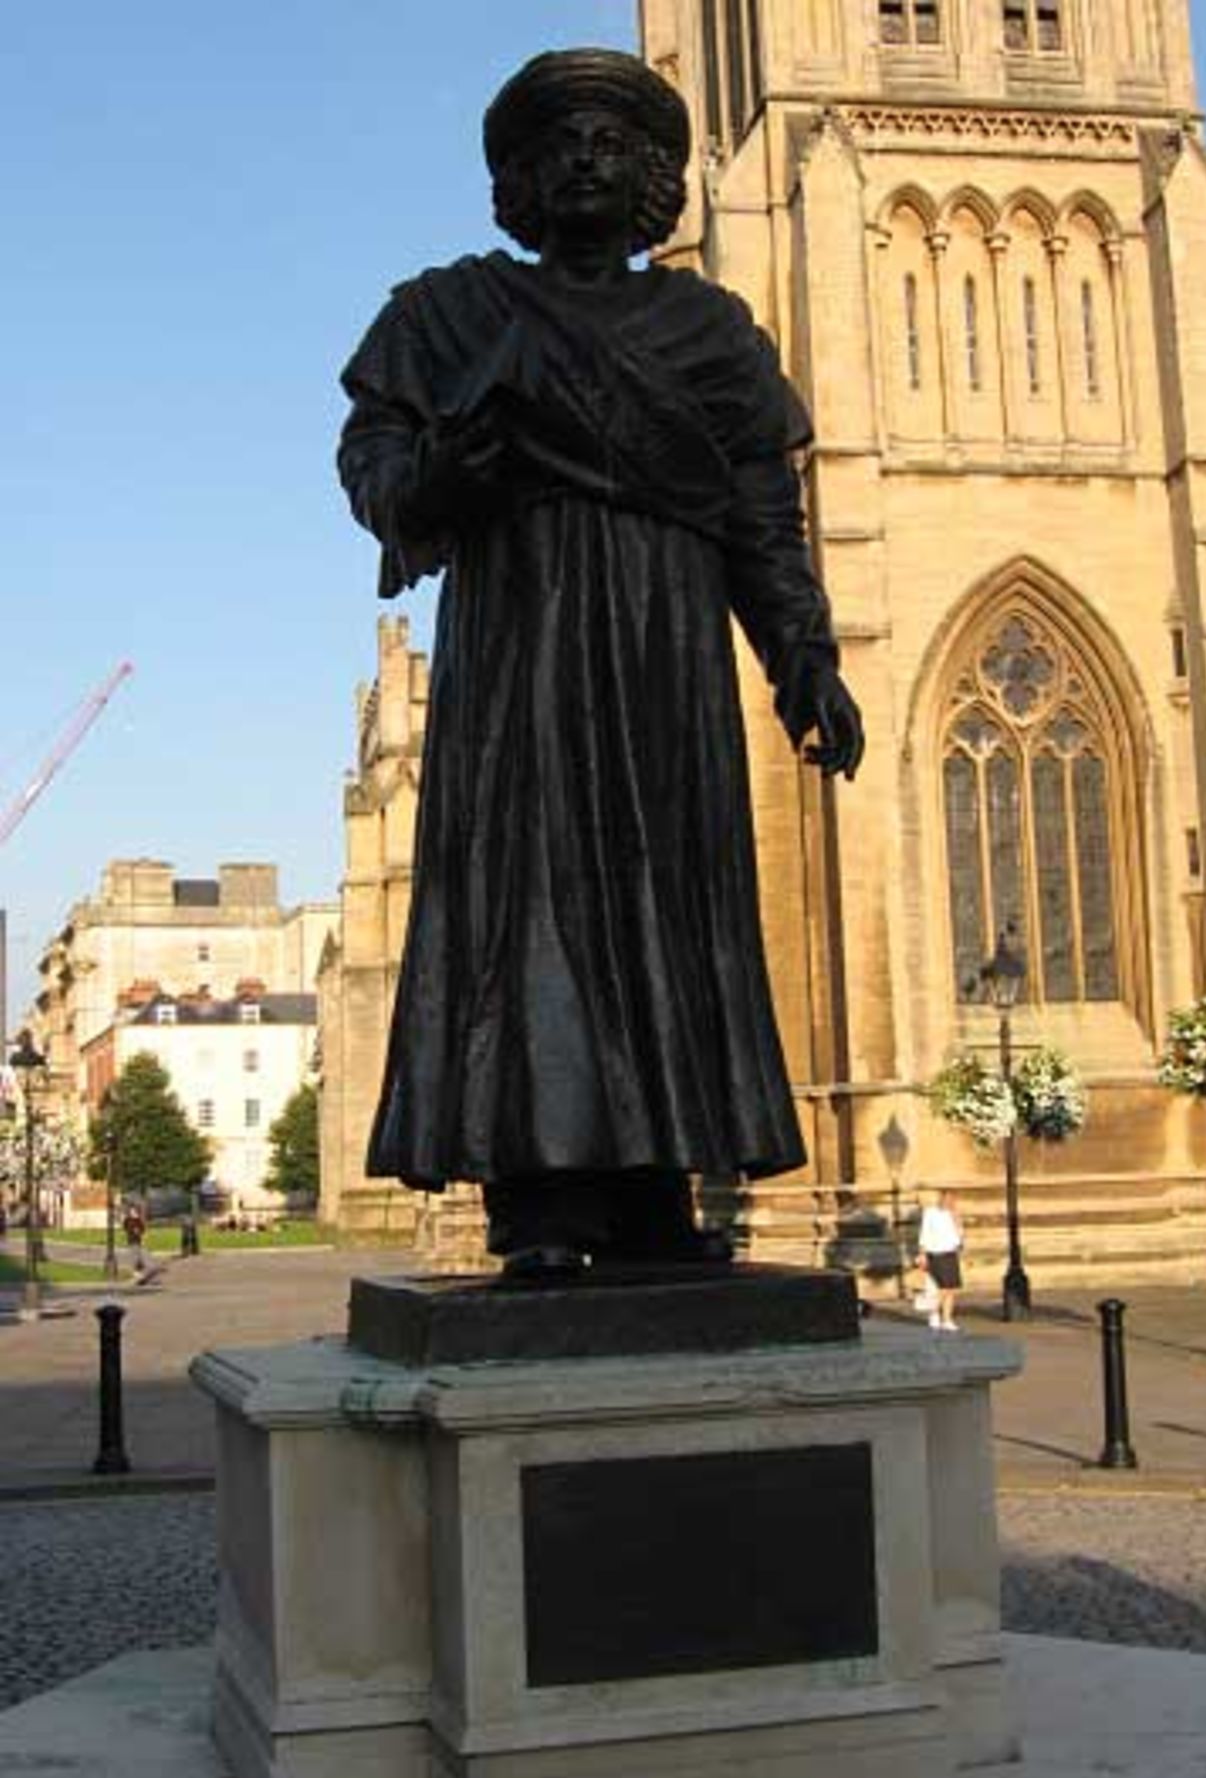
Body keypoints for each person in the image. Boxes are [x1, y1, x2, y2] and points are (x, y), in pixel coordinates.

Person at [338, 48, 864, 1277]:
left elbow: (760, 518)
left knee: (668, 899)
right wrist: (437, 475)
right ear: (516, 180)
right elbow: (374, 465)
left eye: (613, 142)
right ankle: (541, 1198)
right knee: (535, 897)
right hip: (522, 657)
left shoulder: (709, 332)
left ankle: (655, 1187)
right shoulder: (448, 315)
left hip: (665, 660)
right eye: (558, 140)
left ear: (654, 185)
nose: (586, 156)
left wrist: (802, 657)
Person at [916, 1188, 964, 1333]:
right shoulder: (930, 1213)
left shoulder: (953, 1214)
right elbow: (924, 1234)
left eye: (952, 1200)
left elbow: (960, 1235)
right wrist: (922, 1254)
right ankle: (934, 1312)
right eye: (947, 1199)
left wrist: (957, 1219)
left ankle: (947, 1319)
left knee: (951, 1289)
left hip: (951, 1253)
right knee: (942, 1288)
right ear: (941, 1198)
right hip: (936, 1253)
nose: (949, 1202)